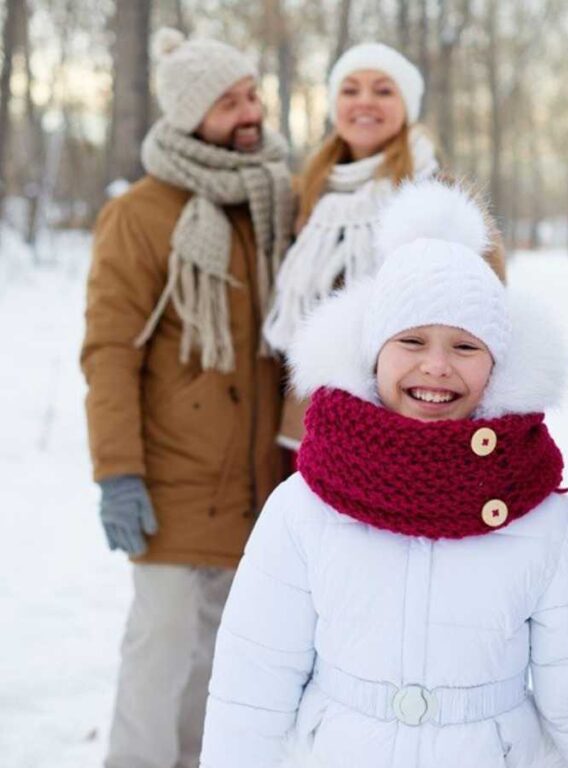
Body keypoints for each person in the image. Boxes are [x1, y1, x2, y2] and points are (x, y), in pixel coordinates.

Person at [199, 180, 568, 768]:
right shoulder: (305, 507)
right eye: (411, 340)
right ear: (372, 352)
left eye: (465, 347)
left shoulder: (549, 522)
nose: (436, 367)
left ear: (498, 362)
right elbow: (251, 689)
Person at [81, 27, 293, 768]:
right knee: (160, 653)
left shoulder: (269, 196)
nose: (249, 112)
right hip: (170, 480)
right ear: (188, 115)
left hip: (255, 479)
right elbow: (110, 352)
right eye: (229, 101)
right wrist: (118, 473)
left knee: (223, 658)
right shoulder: (141, 213)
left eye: (251, 94)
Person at [263, 42, 503, 453]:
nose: (365, 102)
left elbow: (490, 313)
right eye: (350, 90)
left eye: (383, 90)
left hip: (406, 425)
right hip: (312, 420)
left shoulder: (441, 195)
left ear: (407, 105)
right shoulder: (309, 192)